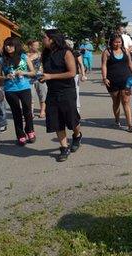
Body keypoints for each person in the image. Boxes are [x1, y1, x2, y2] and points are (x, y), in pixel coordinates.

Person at [40, 29, 82, 162]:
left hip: (67, 91)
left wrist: (51, 76)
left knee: (72, 119)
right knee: (56, 121)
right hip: (52, 91)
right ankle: (64, 148)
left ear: (52, 39)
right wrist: (40, 76)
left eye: (44, 38)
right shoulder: (45, 54)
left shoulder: (66, 52)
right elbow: (45, 71)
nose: (43, 40)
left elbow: (72, 73)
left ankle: (77, 135)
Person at [0, 37, 36, 146]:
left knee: (27, 111)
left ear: (16, 46)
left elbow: (33, 72)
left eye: (10, 45)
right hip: (10, 89)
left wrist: (23, 73)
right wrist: (6, 76)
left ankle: (30, 131)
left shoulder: (24, 56)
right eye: (6, 45)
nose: (8, 47)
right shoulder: (1, 59)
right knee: (16, 113)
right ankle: (20, 135)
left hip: (24, 87)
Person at [101, 34, 132, 132]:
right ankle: (117, 120)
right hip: (113, 81)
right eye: (115, 42)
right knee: (116, 102)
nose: (117, 44)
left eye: (119, 42)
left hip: (126, 79)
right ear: (111, 42)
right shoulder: (107, 52)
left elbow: (130, 64)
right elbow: (104, 66)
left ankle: (130, 124)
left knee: (126, 102)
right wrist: (104, 78)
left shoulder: (125, 50)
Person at [27, 40, 47, 118]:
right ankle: (30, 112)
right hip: (28, 78)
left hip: (40, 77)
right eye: (35, 45)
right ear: (30, 46)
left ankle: (42, 111)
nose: (37, 47)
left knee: (42, 95)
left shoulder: (41, 54)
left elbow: (45, 64)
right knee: (29, 96)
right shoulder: (25, 55)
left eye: (38, 45)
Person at [66, 39, 87, 113]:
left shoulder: (76, 53)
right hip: (65, 75)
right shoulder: (62, 53)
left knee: (75, 91)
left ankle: (77, 109)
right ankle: (68, 108)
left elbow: (81, 64)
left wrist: (83, 75)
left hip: (75, 75)